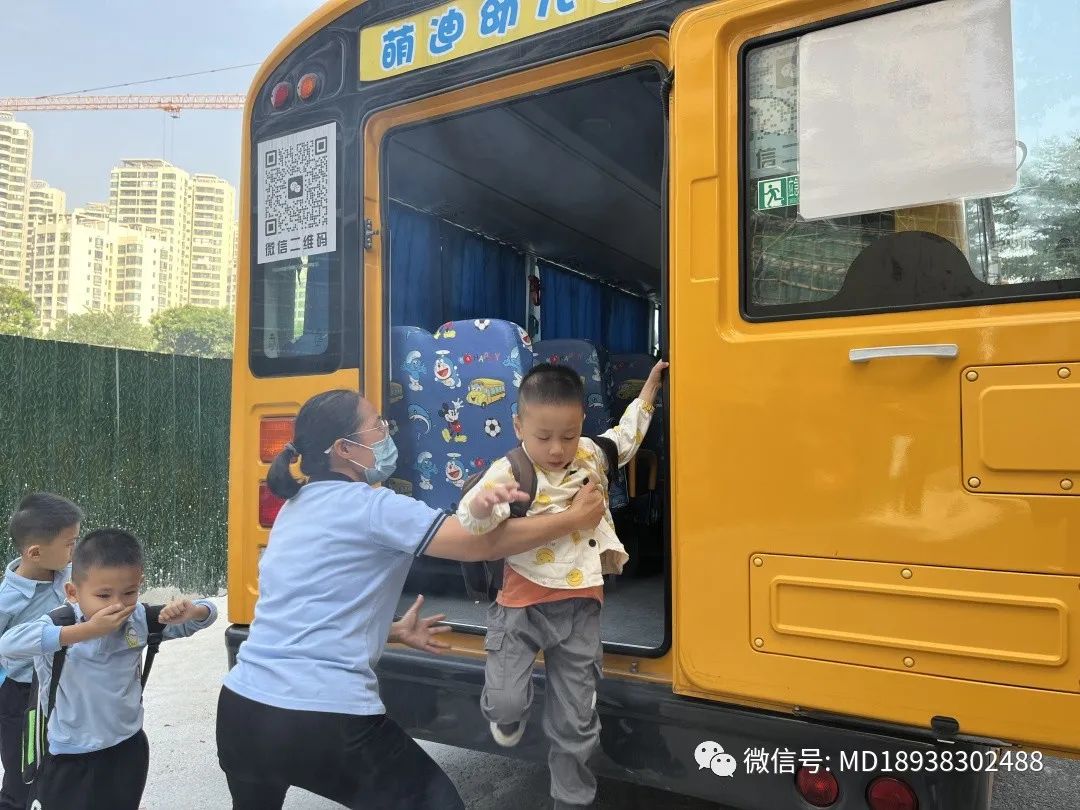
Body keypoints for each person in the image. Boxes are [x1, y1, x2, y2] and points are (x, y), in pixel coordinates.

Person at [216, 388, 607, 810]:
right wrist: (573, 518)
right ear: (345, 449)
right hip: (324, 718)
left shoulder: (295, 507)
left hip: (241, 711)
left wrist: (390, 632)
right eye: (377, 425)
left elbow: (307, 609)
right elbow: (480, 545)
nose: (387, 432)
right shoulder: (376, 507)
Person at [457, 359, 668, 810]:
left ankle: (571, 800)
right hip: (520, 604)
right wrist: (481, 503)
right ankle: (506, 715)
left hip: (580, 608)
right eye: (544, 437)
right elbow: (472, 525)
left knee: (576, 720)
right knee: (508, 704)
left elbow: (625, 437)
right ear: (518, 425)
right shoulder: (509, 472)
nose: (557, 449)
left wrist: (649, 391)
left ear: (581, 426)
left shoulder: (590, 452)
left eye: (568, 435)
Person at [0, 527, 217, 810]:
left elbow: (206, 615)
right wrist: (86, 631)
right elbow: (8, 643)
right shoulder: (60, 622)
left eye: (129, 592)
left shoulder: (139, 619)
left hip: (126, 749)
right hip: (70, 755)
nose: (117, 604)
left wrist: (193, 611)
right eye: (103, 595)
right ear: (73, 592)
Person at [0, 492, 82, 810]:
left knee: (60, 764)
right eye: (70, 543)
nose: (75, 550)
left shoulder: (71, 576)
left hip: (64, 689)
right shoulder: (7, 600)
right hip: (21, 698)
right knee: (23, 772)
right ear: (35, 552)